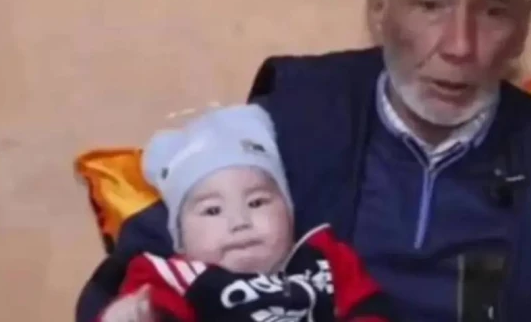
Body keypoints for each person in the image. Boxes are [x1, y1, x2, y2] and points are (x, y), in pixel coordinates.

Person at [77, 0, 531, 320]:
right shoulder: (297, 113)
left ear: (523, 28)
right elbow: (137, 269)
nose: (460, 46)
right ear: (378, 12)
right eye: (430, 4)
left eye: (493, 11)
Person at [98, 105, 397, 322]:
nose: (239, 222)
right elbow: (150, 310)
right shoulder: (173, 277)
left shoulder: (326, 258)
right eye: (212, 210)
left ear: (289, 213)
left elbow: (370, 308)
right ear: (180, 238)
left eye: (256, 203)